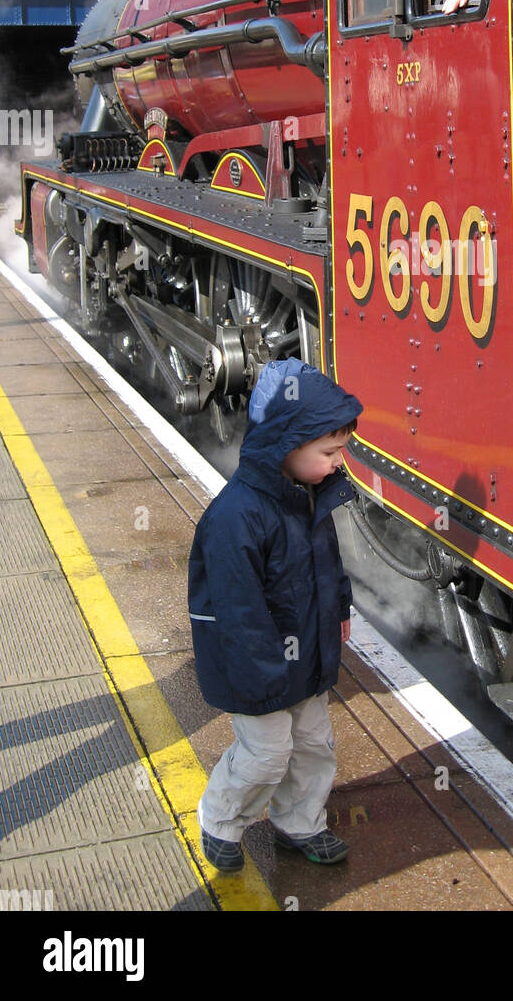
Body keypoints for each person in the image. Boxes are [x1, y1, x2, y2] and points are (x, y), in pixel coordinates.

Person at [188, 356, 363, 873]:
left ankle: (299, 822)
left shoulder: (307, 495)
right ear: (287, 444)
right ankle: (220, 818)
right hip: (257, 664)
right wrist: (263, 672)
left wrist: (339, 609)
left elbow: (327, 562)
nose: (338, 463)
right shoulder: (236, 516)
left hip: (304, 653)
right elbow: (235, 606)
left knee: (312, 745)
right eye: (329, 452)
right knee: (266, 753)